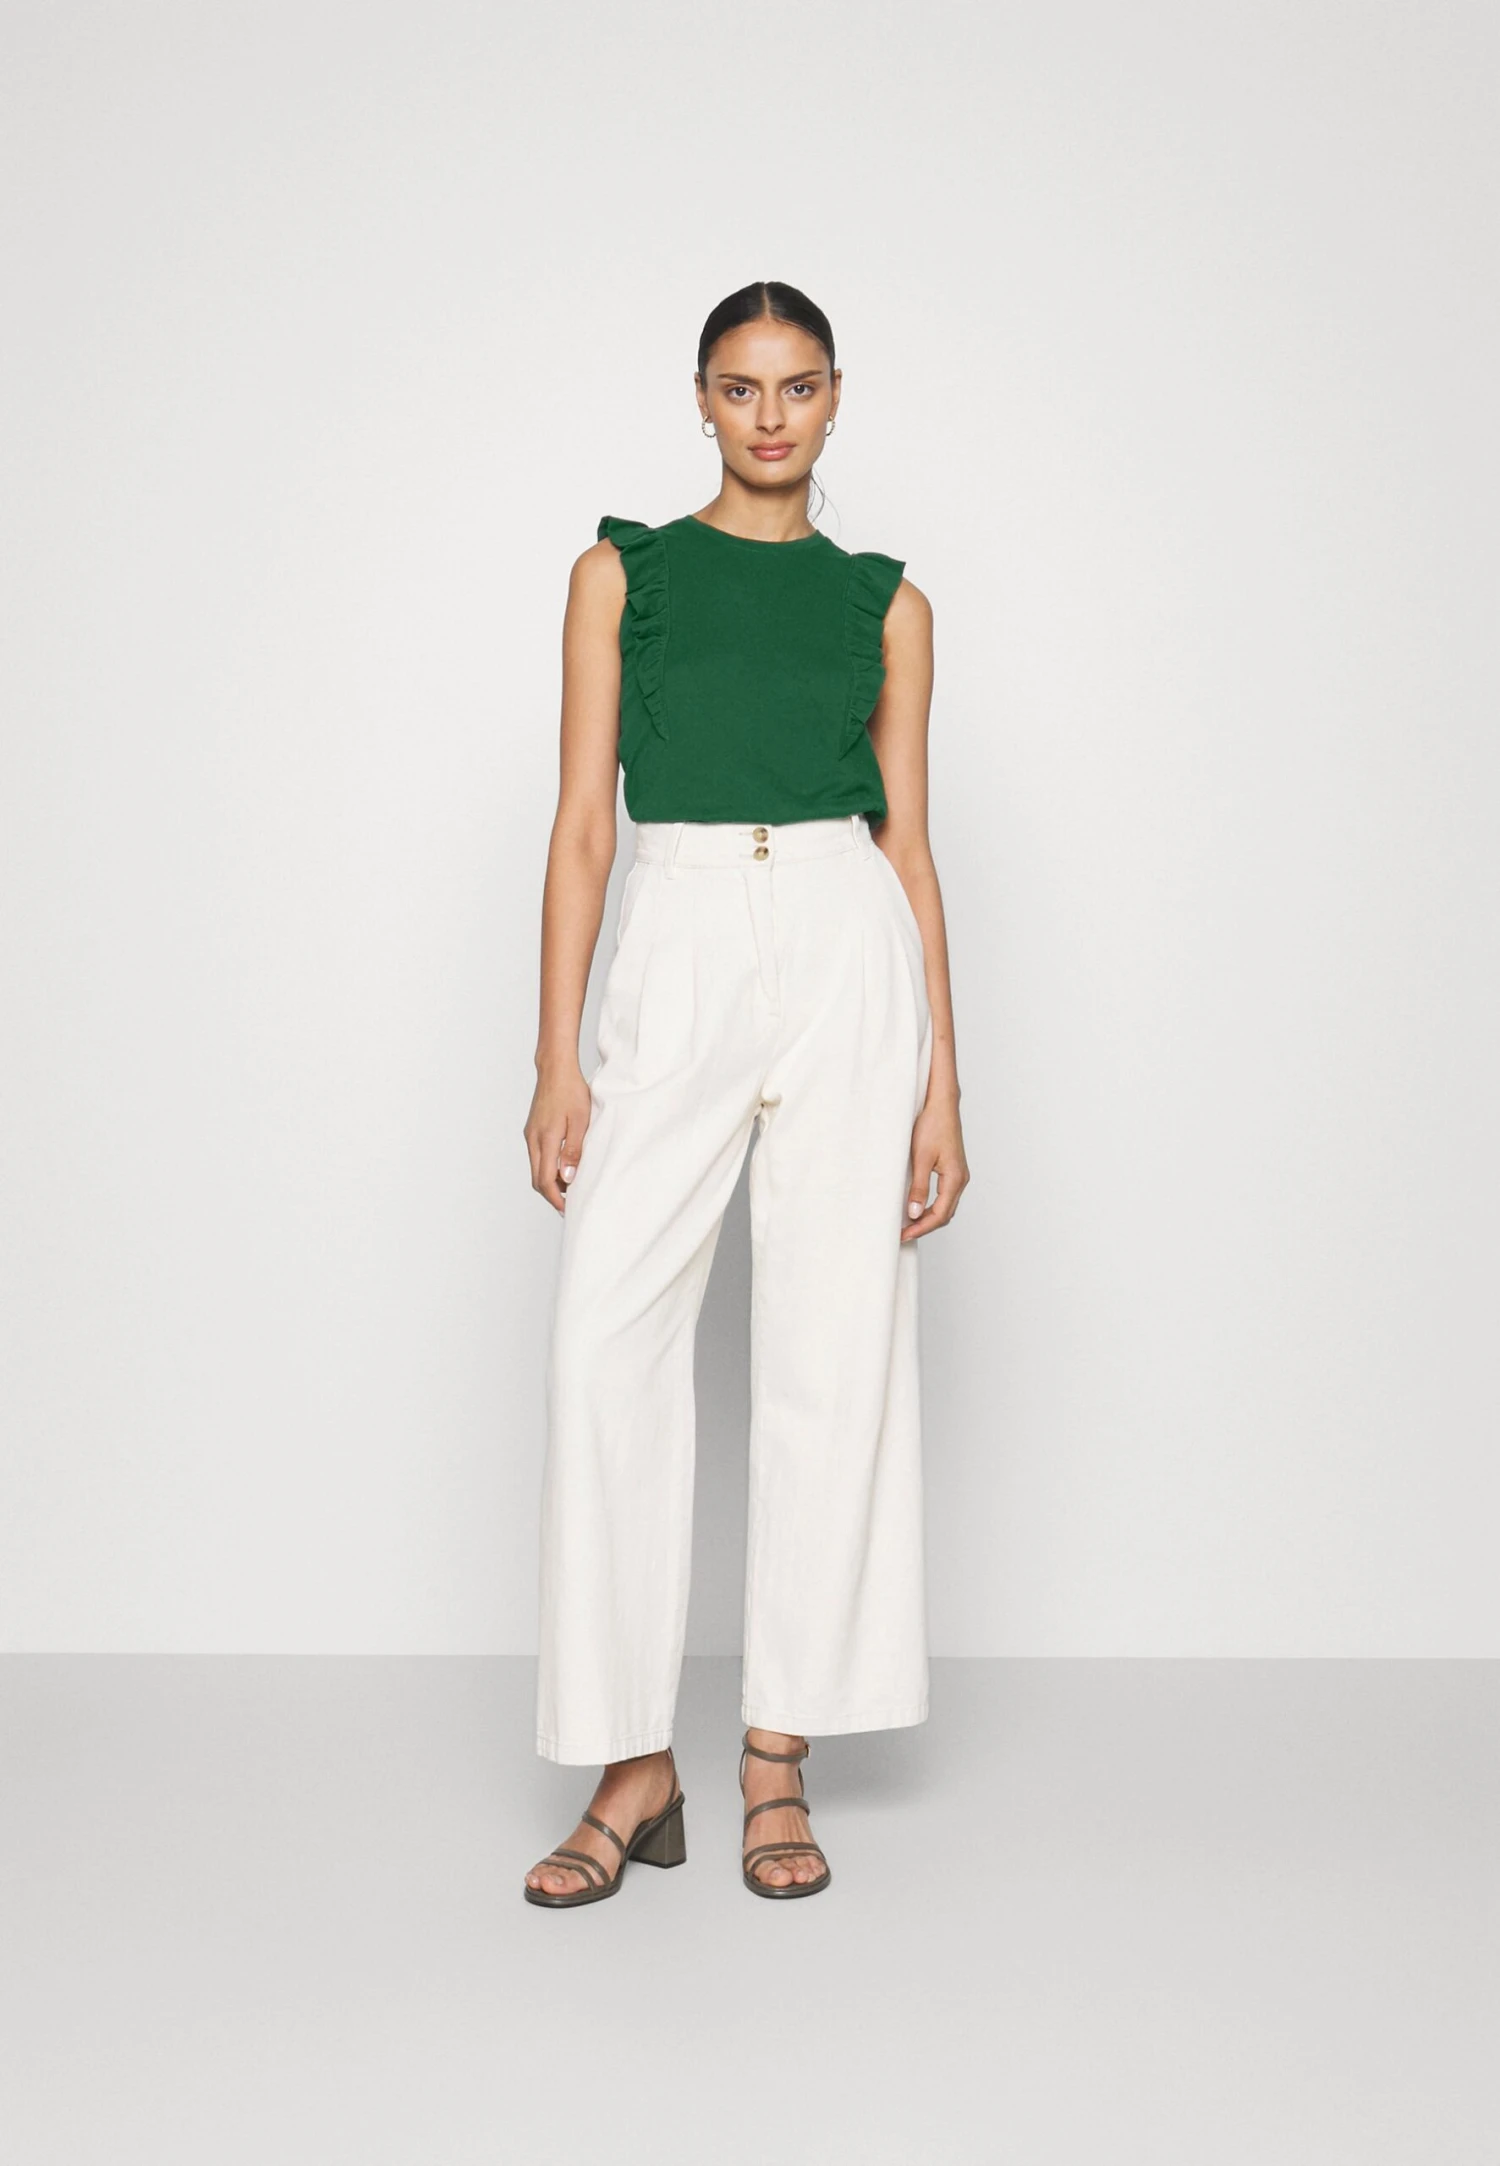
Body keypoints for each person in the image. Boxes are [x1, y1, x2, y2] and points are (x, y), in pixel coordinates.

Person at [521, 280, 969, 1907]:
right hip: (683, 928)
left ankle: (777, 1752)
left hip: (847, 940)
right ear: (700, 399)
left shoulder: (887, 605)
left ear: (836, 397)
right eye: (738, 386)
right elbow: (584, 825)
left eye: (796, 386)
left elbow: (910, 848)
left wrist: (944, 1083)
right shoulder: (621, 575)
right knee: (606, 1340)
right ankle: (629, 1763)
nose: (769, 416)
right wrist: (556, 1052)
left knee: (835, 1345)